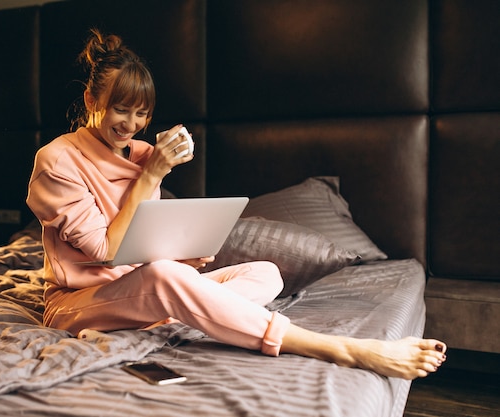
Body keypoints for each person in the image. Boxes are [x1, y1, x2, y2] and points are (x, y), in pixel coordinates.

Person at [26, 29, 446, 380]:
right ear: (90, 101)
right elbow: (106, 250)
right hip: (78, 304)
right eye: (121, 110)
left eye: (142, 115)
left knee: (265, 274)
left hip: (140, 290)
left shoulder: (139, 153)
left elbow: (140, 246)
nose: (132, 126)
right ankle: (340, 348)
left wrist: (184, 254)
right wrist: (154, 175)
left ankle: (185, 307)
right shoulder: (57, 161)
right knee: (163, 278)